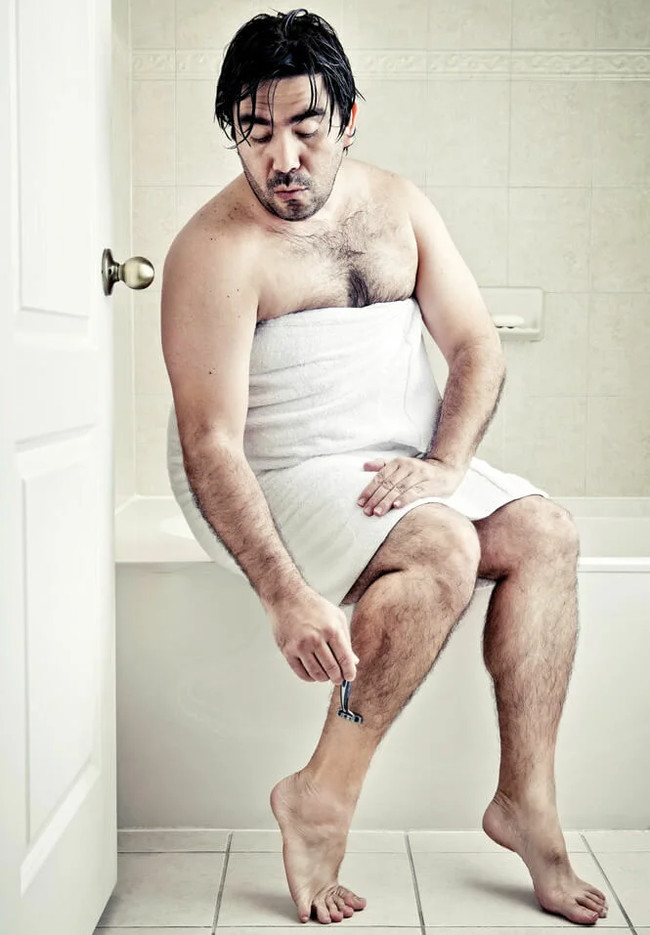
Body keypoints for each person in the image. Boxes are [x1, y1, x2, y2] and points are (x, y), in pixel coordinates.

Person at [161, 8, 609, 927]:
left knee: (547, 531)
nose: (282, 157)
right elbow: (210, 444)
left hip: (391, 457)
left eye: (305, 127)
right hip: (272, 468)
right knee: (442, 547)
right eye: (255, 133)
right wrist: (285, 594)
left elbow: (477, 344)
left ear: (349, 117)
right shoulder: (214, 251)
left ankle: (525, 800)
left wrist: (446, 461)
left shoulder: (398, 205)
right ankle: (320, 797)